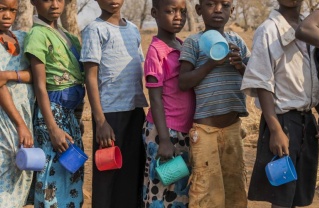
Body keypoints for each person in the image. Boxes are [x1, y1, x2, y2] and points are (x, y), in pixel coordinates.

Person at [241, 0, 319, 207]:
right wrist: (275, 129)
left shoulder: (311, 29)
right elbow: (262, 82)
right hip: (282, 121)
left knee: (298, 195)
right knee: (281, 195)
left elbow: (316, 78)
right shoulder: (268, 30)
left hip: (306, 122)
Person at [178, 0, 250, 207]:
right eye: (210, 4)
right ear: (199, 10)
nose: (218, 9)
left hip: (233, 129)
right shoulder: (193, 42)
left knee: (234, 186)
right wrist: (211, 63)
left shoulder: (237, 41)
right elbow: (183, 82)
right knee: (206, 190)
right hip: (205, 130)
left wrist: (240, 66)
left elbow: (254, 78)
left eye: (225, 5)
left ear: (232, 11)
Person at [80, 0, 148, 207]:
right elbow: (90, 77)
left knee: (132, 173)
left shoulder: (134, 29)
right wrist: (100, 121)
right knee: (108, 175)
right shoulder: (95, 29)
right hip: (109, 115)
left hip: (135, 111)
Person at [24, 0, 85, 207]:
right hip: (53, 115)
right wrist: (53, 129)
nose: (55, 4)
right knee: (53, 178)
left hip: (70, 115)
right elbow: (40, 86)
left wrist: (77, 118)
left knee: (72, 172)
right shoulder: (37, 35)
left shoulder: (70, 37)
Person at [142, 0, 195, 207]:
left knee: (178, 191)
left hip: (182, 132)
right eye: (171, 11)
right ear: (155, 13)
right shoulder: (156, 51)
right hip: (163, 131)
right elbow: (155, 98)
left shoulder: (182, 45)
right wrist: (164, 139)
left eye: (182, 11)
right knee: (159, 189)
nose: (178, 16)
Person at [0, 0, 35, 206]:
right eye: (2, 9)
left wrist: (9, 74)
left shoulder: (22, 38)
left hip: (25, 116)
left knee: (21, 171)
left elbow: (38, 74)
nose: (7, 15)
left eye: (12, 10)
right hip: (7, 119)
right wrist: (20, 124)